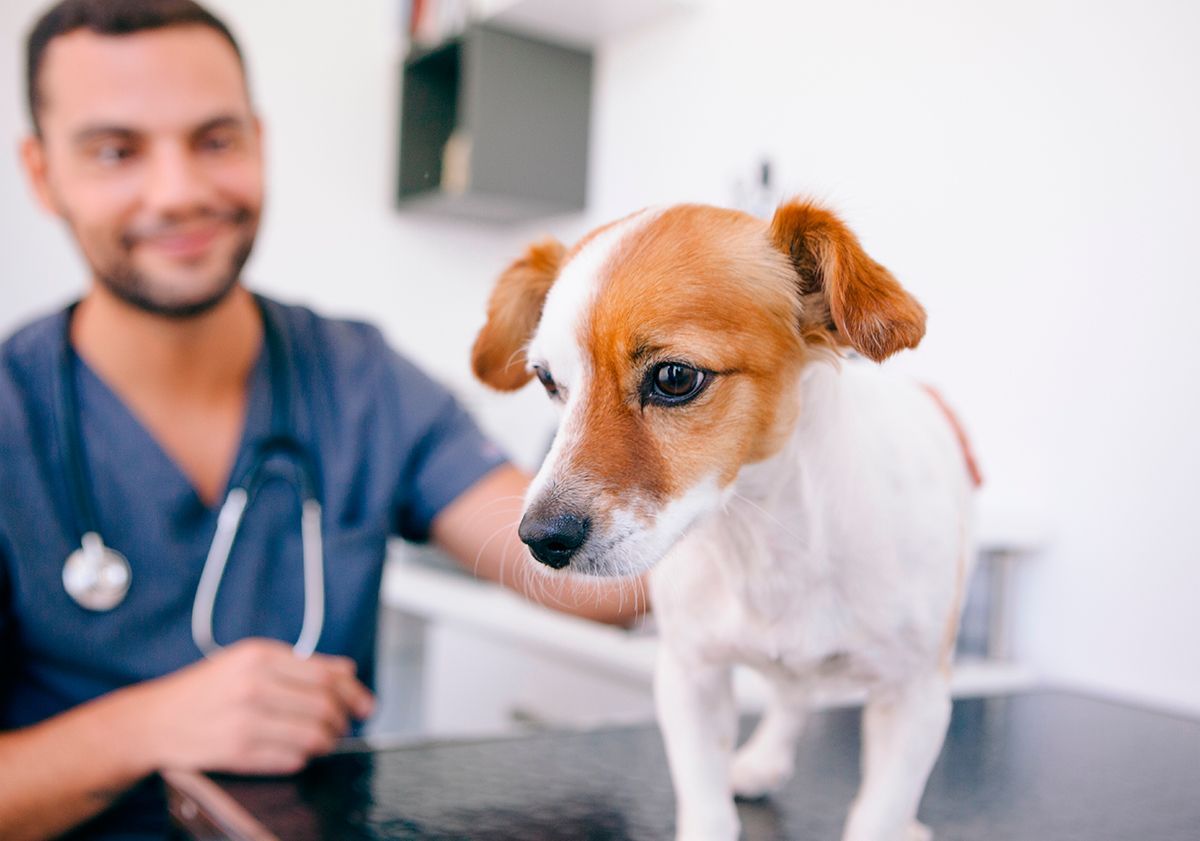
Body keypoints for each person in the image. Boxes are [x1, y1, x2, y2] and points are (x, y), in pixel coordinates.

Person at [0, 1, 647, 838]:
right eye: (117, 151)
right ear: (44, 173)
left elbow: (588, 571)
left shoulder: (360, 380)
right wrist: (148, 726)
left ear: (259, 144)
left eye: (215, 139)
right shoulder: (15, 415)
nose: (181, 190)